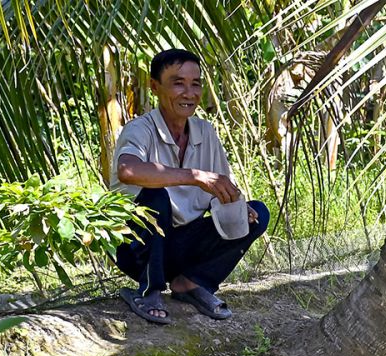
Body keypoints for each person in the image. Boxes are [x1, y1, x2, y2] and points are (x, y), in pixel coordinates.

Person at [110, 48, 270, 324]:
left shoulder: (205, 132)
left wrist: (236, 205)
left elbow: (220, 190)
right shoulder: (140, 129)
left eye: (195, 84)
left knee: (257, 214)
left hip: (181, 246)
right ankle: (149, 291)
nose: (189, 93)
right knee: (155, 198)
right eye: (178, 83)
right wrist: (194, 176)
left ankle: (191, 282)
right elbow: (128, 170)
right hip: (137, 249)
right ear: (155, 87)